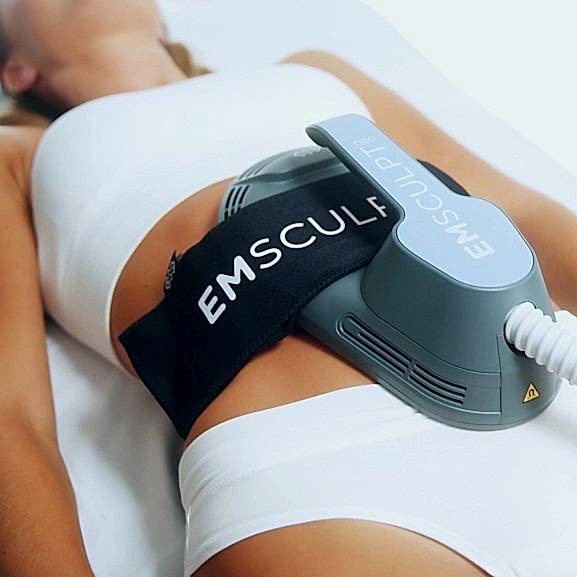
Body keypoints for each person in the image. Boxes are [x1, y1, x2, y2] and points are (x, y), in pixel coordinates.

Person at [1, 1, 577, 576]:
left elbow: (520, 208)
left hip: (543, 379)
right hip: (328, 477)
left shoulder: (314, 71)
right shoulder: (18, 160)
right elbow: (13, 419)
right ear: (17, 70)